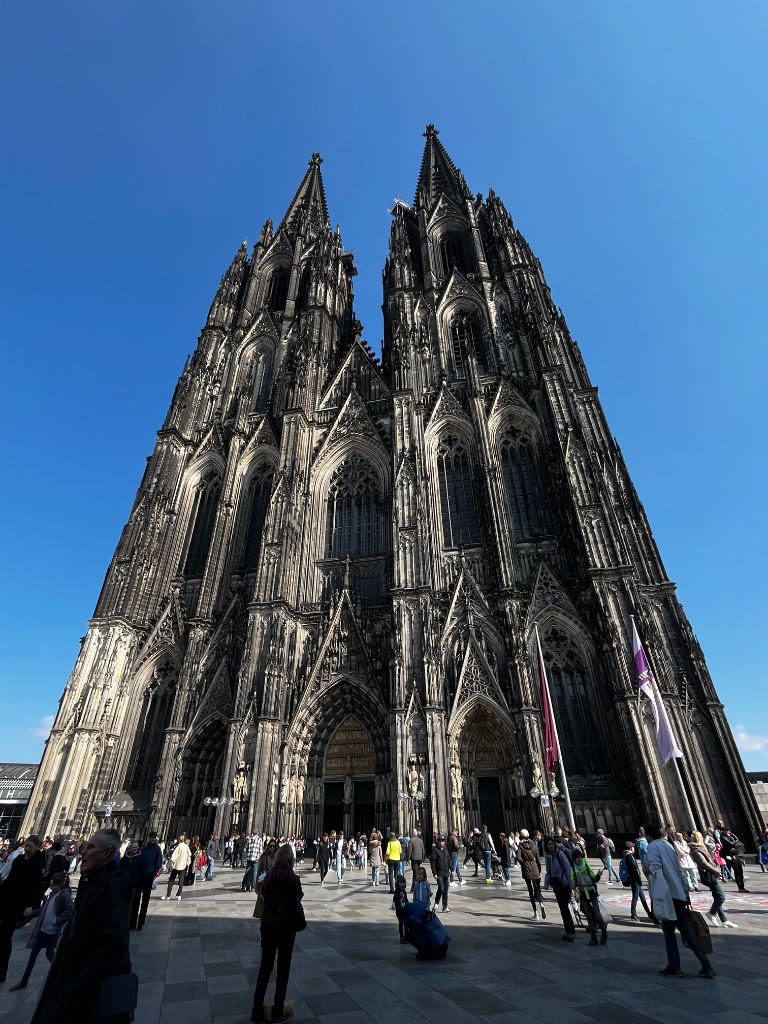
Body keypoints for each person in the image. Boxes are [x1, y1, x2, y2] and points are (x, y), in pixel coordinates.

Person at [29, 828, 134, 1024]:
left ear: (106, 853)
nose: (83, 851)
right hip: (73, 977)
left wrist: (77, 986)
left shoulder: (112, 885)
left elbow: (114, 943)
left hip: (87, 988)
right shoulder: (92, 881)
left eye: (91, 847)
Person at [644, 822, 715, 979]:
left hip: (667, 896)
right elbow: (679, 870)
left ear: (649, 836)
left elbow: (656, 869)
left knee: (669, 932)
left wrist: (647, 870)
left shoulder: (653, 847)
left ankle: (674, 967)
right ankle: (706, 965)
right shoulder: (668, 845)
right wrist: (685, 892)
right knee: (687, 933)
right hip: (679, 895)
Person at [250, 843, 304, 1024]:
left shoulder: (269, 877)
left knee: (265, 968)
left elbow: (262, 893)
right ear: (291, 859)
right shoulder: (293, 879)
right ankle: (278, 1011)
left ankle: (256, 1011)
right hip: (286, 930)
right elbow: (299, 897)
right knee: (283, 969)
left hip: (268, 928)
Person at [8, 872, 74, 991]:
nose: (50, 887)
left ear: (60, 885)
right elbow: (44, 910)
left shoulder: (63, 896)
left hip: (51, 932)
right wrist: (31, 913)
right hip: (43, 931)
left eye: (53, 885)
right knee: (33, 956)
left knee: (50, 956)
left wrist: (57, 920)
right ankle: (24, 980)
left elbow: (70, 911)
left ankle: (62, 976)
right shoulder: (53, 895)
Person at [0, 834, 45, 983]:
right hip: (7, 898)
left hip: (19, 903)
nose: (27, 848)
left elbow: (35, 885)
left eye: (30, 846)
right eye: (26, 845)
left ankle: (2, 972)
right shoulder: (19, 859)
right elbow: (11, 878)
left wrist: (29, 905)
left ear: (37, 847)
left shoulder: (38, 862)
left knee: (6, 935)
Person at [688, 831, 736, 929]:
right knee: (721, 896)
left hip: (711, 873)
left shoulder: (700, 848)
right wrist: (716, 871)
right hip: (708, 875)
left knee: (717, 896)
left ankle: (724, 920)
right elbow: (704, 863)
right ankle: (711, 913)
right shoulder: (696, 850)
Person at [570, 847, 607, 945]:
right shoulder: (573, 868)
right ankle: (593, 937)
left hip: (591, 891)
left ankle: (604, 933)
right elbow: (573, 880)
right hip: (583, 894)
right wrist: (573, 885)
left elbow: (594, 878)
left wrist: (598, 875)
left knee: (597, 914)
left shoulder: (586, 865)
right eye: (577, 857)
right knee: (589, 917)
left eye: (580, 856)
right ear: (574, 859)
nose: (580, 859)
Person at [543, 837, 576, 942]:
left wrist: (571, 883)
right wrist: (546, 884)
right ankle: (568, 931)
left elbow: (567, 868)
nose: (551, 846)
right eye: (548, 845)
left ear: (554, 844)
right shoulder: (548, 857)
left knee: (564, 907)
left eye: (551, 844)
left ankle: (571, 931)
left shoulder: (560, 854)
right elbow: (548, 871)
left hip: (565, 884)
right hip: (556, 885)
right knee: (562, 908)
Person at [131, 831, 162, 931]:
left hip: (148, 877)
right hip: (140, 877)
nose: (152, 839)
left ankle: (140, 923)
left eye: (154, 837)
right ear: (148, 838)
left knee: (145, 901)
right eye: (151, 837)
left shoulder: (157, 849)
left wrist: (153, 874)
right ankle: (132, 922)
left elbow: (158, 863)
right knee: (136, 900)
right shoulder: (143, 849)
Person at [517, 829, 546, 920]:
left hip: (527, 870)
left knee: (530, 890)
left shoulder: (520, 846)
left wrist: (523, 863)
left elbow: (518, 857)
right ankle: (541, 904)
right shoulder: (533, 844)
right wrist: (539, 870)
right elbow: (537, 858)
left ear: (521, 836)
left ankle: (535, 913)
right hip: (535, 868)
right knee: (537, 889)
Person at [623, 841, 654, 922]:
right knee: (635, 897)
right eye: (633, 847)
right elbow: (633, 870)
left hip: (635, 880)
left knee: (642, 897)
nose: (634, 848)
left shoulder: (628, 856)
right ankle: (633, 914)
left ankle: (649, 914)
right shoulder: (629, 857)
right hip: (634, 880)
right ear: (630, 848)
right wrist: (638, 880)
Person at [162, 834, 191, 901]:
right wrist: (187, 863)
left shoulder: (178, 847)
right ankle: (179, 895)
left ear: (178, 840)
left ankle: (168, 895)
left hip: (176, 866)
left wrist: (168, 865)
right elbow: (189, 854)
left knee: (171, 880)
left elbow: (173, 858)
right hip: (183, 866)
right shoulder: (186, 847)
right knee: (181, 881)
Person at [429, 835, 452, 914]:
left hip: (446, 873)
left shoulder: (446, 850)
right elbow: (433, 862)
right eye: (441, 841)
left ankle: (445, 907)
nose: (443, 842)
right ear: (438, 842)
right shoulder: (435, 850)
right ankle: (436, 903)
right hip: (439, 873)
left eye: (444, 841)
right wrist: (434, 873)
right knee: (441, 888)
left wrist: (452, 869)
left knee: (445, 890)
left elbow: (449, 860)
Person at [393, 874, 409, 943]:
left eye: (403, 883)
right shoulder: (397, 891)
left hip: (404, 909)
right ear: (398, 883)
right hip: (399, 909)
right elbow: (395, 898)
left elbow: (406, 899)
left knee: (405, 923)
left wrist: (408, 904)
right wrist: (394, 903)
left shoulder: (404, 891)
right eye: (401, 883)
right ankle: (401, 937)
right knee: (401, 922)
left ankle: (406, 936)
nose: (402, 884)